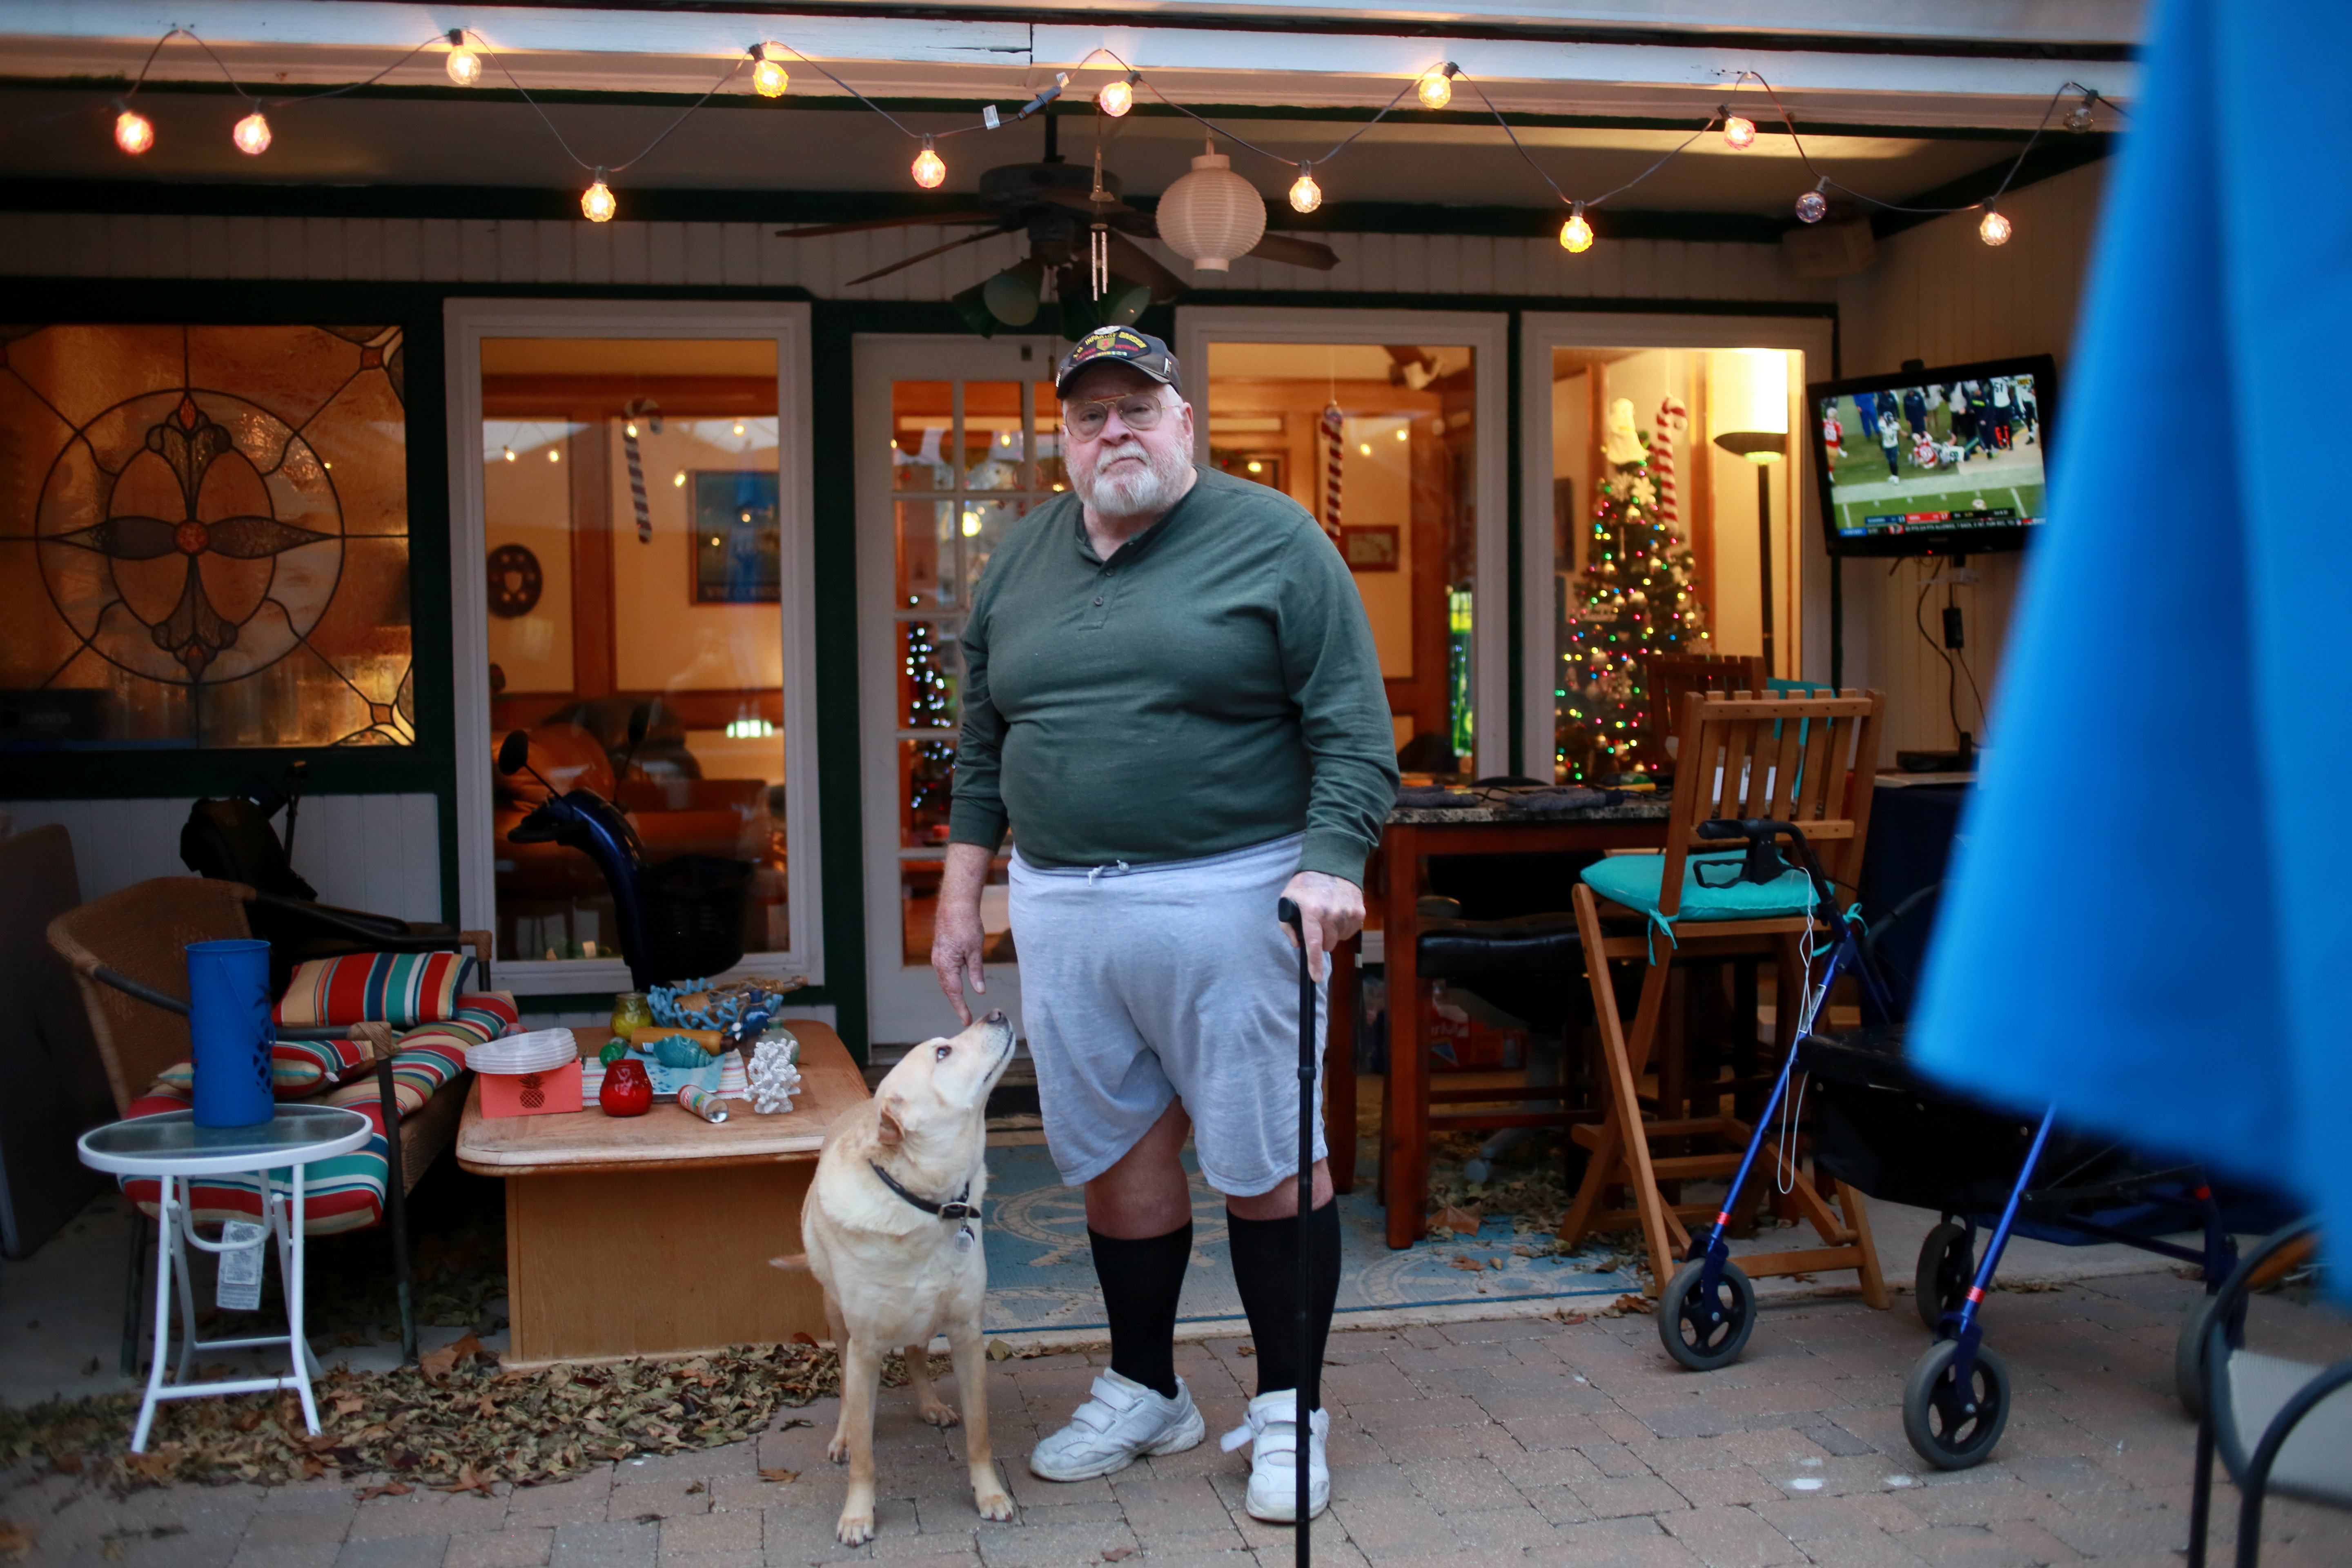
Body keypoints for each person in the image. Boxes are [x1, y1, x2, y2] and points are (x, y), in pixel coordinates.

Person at [933, 327, 1397, 1526]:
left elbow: (1352, 725)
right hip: (1063, 904)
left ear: (1183, 420)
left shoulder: (1275, 539)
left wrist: (1332, 863)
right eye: (1090, 416)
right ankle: (1147, 1387)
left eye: (1136, 408)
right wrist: (959, 890)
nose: (1115, 432)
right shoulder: (1019, 557)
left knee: (1271, 1161)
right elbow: (982, 742)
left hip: (1233, 897)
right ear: (1066, 439)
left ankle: (1291, 1410)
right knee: (1115, 1159)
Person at [1877, 407, 1902, 478]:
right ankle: (1893, 475)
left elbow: (1901, 433)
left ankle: (1896, 476)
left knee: (1893, 461)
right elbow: (1880, 436)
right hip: (1886, 445)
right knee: (1890, 461)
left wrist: (1910, 437)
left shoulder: (1895, 425)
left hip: (1894, 445)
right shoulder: (1881, 424)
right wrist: (1881, 446)